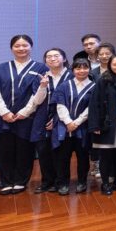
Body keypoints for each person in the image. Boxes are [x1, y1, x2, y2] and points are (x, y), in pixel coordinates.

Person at [0, 34, 48, 195]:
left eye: (25, 45)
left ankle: (20, 181)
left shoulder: (40, 68)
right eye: (17, 46)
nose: (21, 48)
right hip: (3, 118)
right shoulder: (0, 69)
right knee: (4, 150)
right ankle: (6, 181)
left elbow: (39, 93)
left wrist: (25, 112)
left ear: (31, 47)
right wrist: (4, 112)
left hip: (26, 117)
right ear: (11, 48)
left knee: (24, 149)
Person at [89, 53, 116, 195]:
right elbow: (94, 103)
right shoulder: (103, 80)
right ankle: (105, 183)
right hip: (107, 122)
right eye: (115, 64)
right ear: (110, 65)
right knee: (106, 154)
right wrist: (95, 125)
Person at [29, 47, 70, 193]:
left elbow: (73, 101)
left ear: (64, 58)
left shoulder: (71, 76)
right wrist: (42, 86)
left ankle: (62, 182)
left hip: (63, 120)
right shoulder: (41, 77)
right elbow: (37, 101)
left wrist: (57, 119)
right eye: (49, 56)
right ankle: (47, 181)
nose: (52, 59)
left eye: (56, 56)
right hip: (42, 118)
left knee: (61, 153)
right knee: (43, 152)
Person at [51, 58, 94, 195]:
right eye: (78, 68)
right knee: (62, 157)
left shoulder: (94, 87)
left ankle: (82, 182)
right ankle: (63, 183)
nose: (82, 71)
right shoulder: (64, 85)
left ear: (89, 69)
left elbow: (92, 108)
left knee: (83, 156)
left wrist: (77, 122)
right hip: (64, 127)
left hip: (83, 127)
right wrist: (68, 122)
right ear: (73, 70)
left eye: (85, 67)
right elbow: (60, 104)